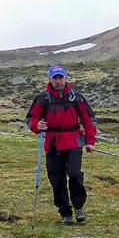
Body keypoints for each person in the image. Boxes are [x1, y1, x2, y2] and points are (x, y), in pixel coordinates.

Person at [26, 65, 97, 225]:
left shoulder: (76, 98)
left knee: (74, 173)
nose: (58, 81)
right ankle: (65, 213)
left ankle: (79, 207)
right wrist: (38, 126)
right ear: (50, 79)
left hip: (73, 141)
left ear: (66, 78)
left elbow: (89, 119)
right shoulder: (42, 98)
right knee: (56, 178)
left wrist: (91, 141)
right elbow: (31, 119)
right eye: (55, 78)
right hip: (53, 142)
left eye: (60, 77)